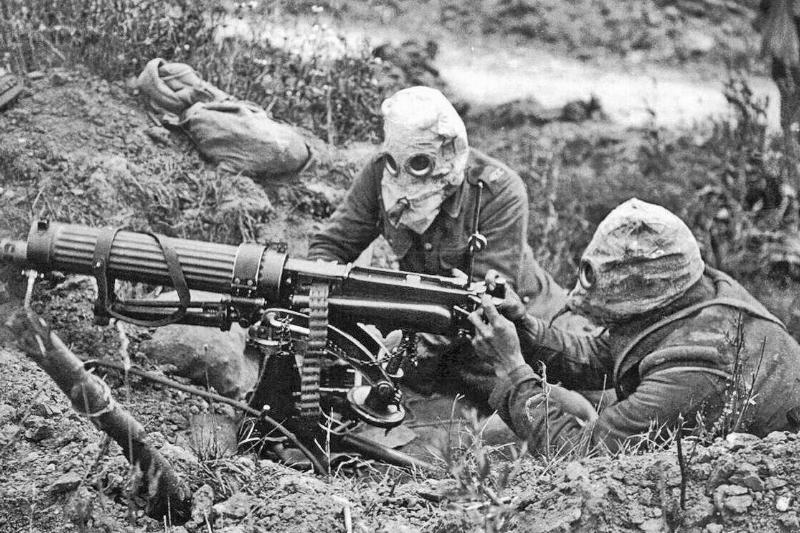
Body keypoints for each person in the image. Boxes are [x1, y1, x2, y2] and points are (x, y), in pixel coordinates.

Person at [470, 198, 800, 455]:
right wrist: (526, 330)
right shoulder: (693, 288)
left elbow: (582, 455)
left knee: (502, 434)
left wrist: (511, 367)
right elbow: (608, 353)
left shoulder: (696, 365)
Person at [308, 86, 574, 402]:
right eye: (396, 160)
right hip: (432, 330)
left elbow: (487, 303)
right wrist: (328, 314)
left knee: (538, 408)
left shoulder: (497, 191)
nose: (405, 174)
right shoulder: (379, 175)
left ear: (450, 150)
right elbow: (331, 247)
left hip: (513, 330)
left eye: (421, 162)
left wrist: (402, 346)